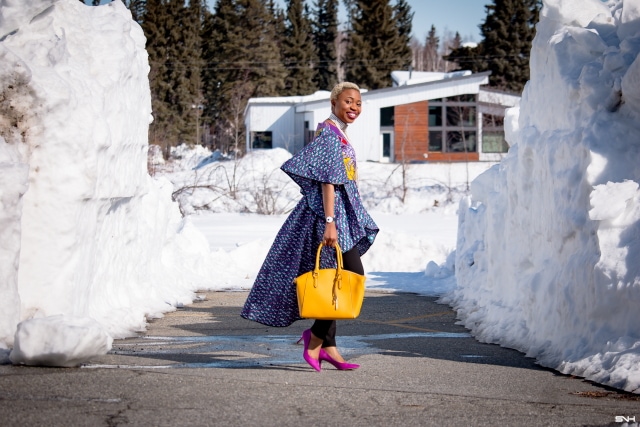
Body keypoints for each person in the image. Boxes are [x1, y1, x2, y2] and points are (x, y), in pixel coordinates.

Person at [241, 82, 378, 371]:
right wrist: (330, 222)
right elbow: (327, 180)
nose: (354, 107)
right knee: (348, 274)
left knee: (335, 276)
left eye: (358, 103)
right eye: (348, 102)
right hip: (327, 216)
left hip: (338, 214)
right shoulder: (330, 134)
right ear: (334, 103)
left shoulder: (337, 132)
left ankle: (328, 346)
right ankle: (316, 338)